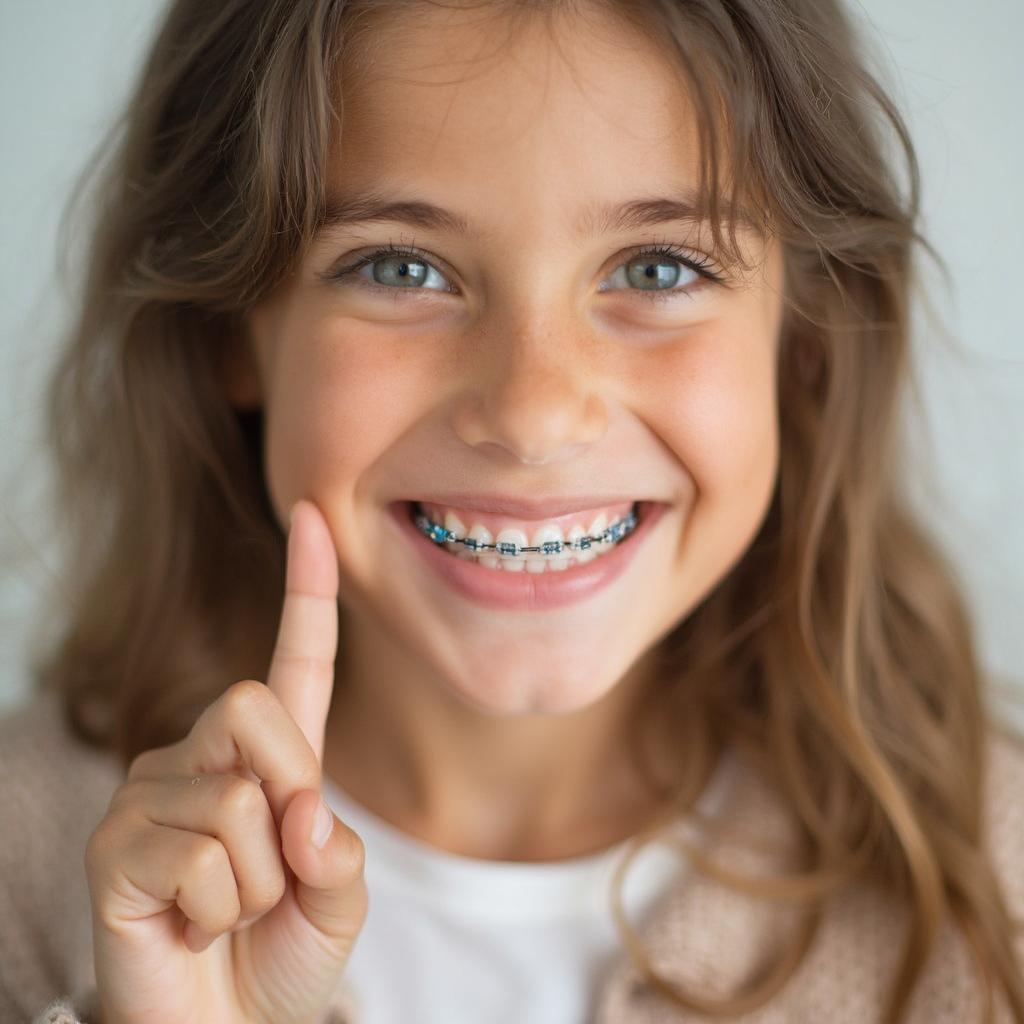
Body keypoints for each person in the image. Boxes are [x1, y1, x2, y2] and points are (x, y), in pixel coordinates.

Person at [1, 0, 1022, 1021]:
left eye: (658, 268)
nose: (534, 416)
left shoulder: (993, 886)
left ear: (806, 332)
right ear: (229, 328)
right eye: (401, 267)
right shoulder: (23, 864)